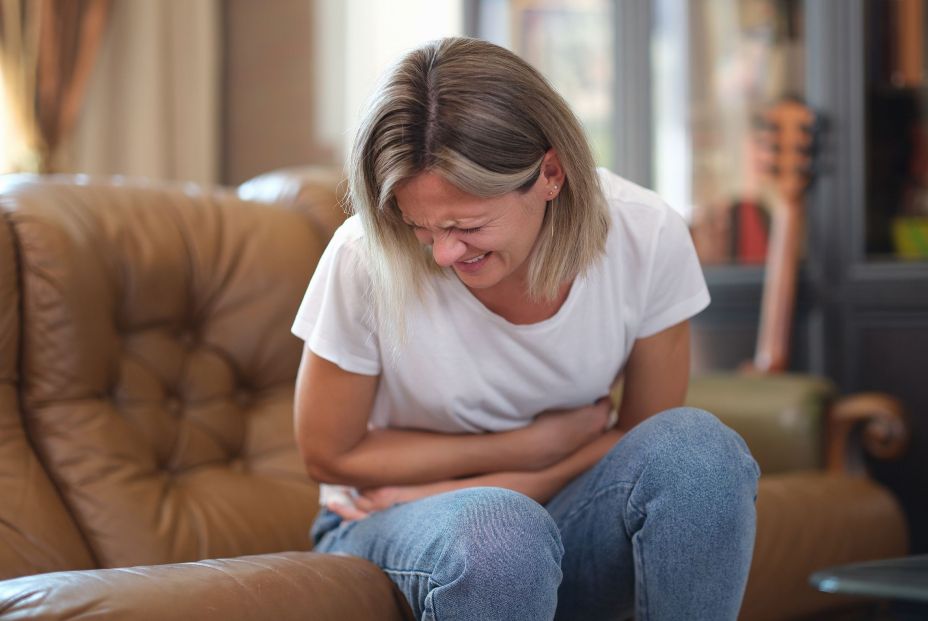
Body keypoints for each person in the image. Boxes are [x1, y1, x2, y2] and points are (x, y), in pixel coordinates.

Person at [291, 37, 760, 621]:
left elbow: (644, 440)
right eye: (420, 226)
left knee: (699, 455)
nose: (441, 254)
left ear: (551, 173)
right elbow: (328, 454)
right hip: (391, 521)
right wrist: (529, 447)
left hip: (564, 507)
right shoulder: (364, 255)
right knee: (499, 536)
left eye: (467, 225)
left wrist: (533, 473)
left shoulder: (645, 234)